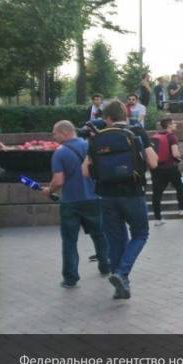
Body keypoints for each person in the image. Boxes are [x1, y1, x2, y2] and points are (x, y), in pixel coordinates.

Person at [82, 100, 158, 301]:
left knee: (116, 241)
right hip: (132, 192)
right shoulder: (137, 132)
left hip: (106, 195)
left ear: (107, 118)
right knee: (140, 234)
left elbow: (85, 171)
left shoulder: (97, 138)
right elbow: (153, 162)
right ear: (125, 114)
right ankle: (122, 274)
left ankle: (120, 287)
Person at [43, 120, 110, 287]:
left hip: (71, 202)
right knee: (100, 234)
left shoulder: (60, 153)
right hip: (94, 198)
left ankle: (70, 278)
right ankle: (105, 266)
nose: (54, 137)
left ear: (64, 133)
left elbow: (58, 181)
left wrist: (49, 191)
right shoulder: (90, 146)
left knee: (69, 240)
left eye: (55, 134)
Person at [150, 117, 183, 224]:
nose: (175, 125)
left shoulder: (156, 136)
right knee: (180, 186)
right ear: (169, 125)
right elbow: (175, 153)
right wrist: (180, 157)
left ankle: (158, 219)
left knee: (157, 193)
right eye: (174, 123)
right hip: (171, 168)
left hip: (157, 169)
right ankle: (181, 209)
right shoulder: (172, 137)